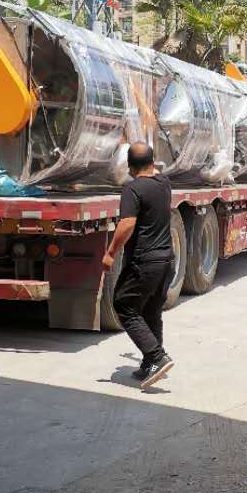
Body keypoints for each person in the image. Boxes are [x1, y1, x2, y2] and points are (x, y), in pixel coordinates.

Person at [102, 141, 175, 389]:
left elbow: (127, 224)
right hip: (166, 260)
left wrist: (110, 252)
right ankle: (150, 364)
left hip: (145, 261)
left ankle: (157, 357)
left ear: (130, 167)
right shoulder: (164, 183)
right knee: (151, 310)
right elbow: (155, 171)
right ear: (153, 162)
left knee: (124, 305)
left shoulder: (132, 190)